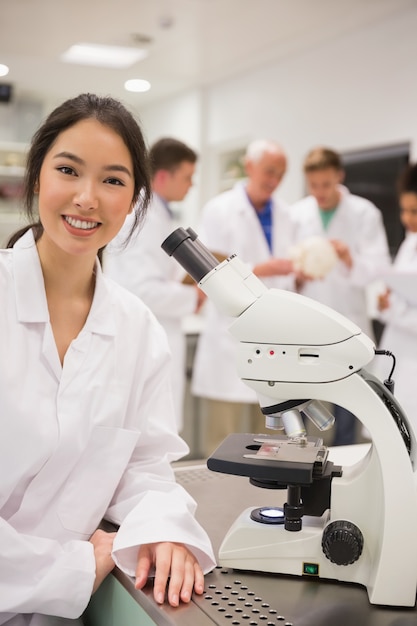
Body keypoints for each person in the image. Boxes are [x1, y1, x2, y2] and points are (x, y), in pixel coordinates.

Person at [0, 93, 215, 626]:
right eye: (68, 170)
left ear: (136, 199)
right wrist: (72, 565)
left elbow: (144, 464)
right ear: (37, 176)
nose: (87, 198)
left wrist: (163, 527)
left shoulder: (136, 328)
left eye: (113, 180)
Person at [191, 139, 297, 457]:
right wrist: (260, 268)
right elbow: (206, 272)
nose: (273, 180)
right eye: (268, 171)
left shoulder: (287, 216)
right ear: (249, 167)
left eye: (280, 174)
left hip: (272, 338)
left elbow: (287, 273)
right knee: (223, 440)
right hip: (229, 337)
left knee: (269, 441)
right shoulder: (218, 210)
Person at [290, 146, 391, 445]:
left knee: (347, 411)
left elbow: (378, 268)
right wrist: (297, 276)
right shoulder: (296, 214)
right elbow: (287, 268)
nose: (320, 192)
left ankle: (343, 479)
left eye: (326, 184)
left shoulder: (364, 212)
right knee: (304, 409)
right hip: (306, 328)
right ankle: (304, 477)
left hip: (349, 324)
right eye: (314, 185)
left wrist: (349, 259)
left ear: (339, 176)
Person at [105, 138, 204, 431]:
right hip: (145, 336)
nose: (192, 185)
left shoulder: (158, 214)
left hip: (155, 332)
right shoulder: (145, 217)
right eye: (187, 177)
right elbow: (142, 288)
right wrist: (193, 297)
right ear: (163, 176)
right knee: (150, 432)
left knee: (155, 431)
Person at [374, 162, 417, 430]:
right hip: (399, 347)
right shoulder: (409, 241)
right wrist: (385, 304)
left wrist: (394, 310)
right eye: (404, 210)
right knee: (393, 428)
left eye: (414, 211)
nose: (406, 218)